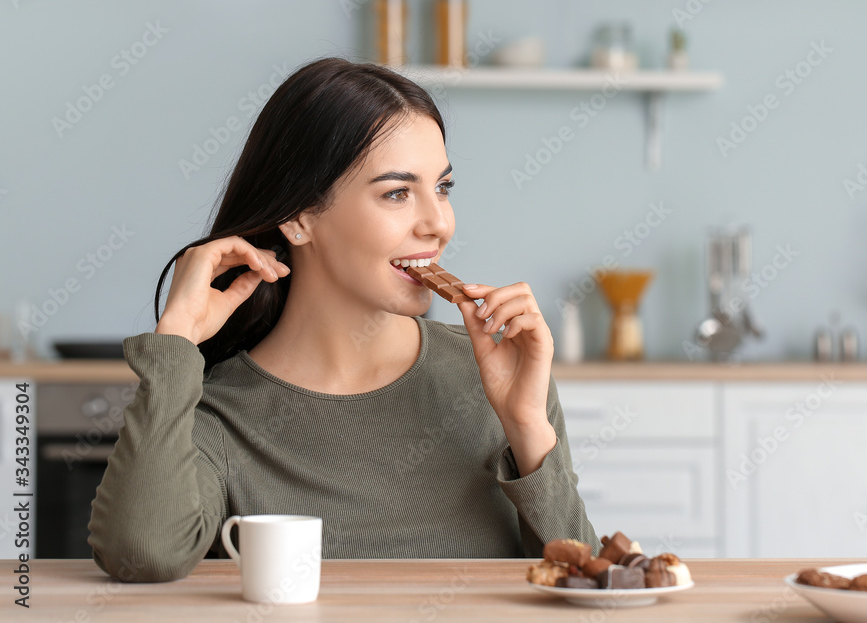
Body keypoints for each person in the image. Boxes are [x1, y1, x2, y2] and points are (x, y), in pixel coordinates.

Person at [87, 57, 600, 583]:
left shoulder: (497, 374)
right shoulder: (218, 412)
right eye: (397, 193)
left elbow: (585, 582)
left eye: (442, 187)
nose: (439, 224)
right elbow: (140, 555)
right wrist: (176, 340)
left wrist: (526, 426)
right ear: (300, 218)